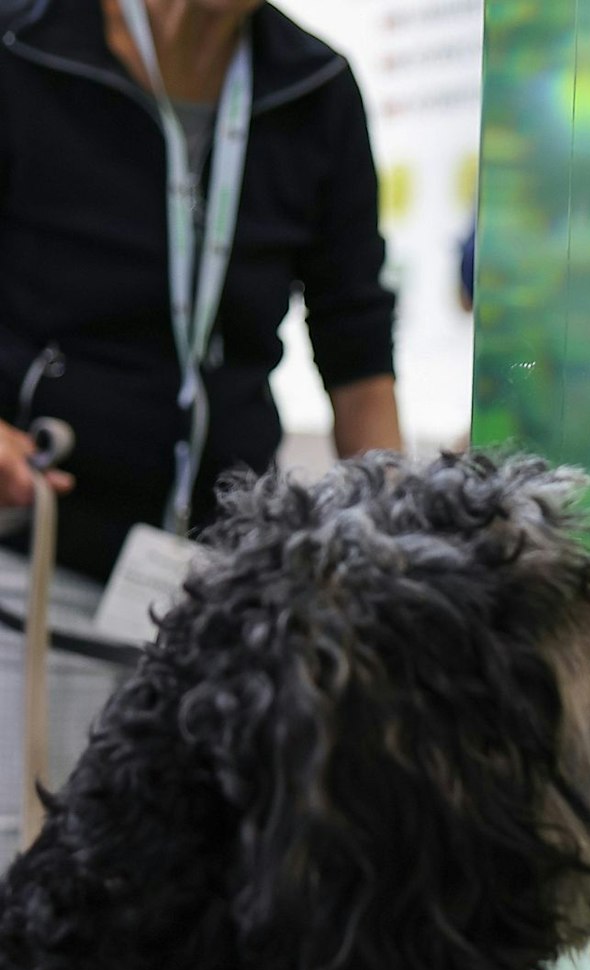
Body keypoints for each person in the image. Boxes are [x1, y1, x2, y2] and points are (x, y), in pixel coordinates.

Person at [0, 0, 401, 861]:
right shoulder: (23, 43)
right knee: (26, 874)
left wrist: (403, 555)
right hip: (33, 570)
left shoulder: (314, 87)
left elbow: (360, 359)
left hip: (220, 593)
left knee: (181, 888)